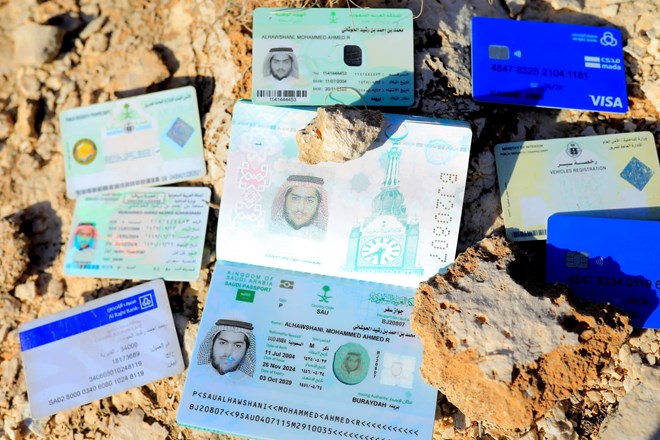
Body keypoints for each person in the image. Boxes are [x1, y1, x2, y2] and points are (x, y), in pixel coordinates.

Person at [271, 175, 328, 239]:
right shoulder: (272, 229)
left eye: (309, 200)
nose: (300, 207)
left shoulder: (320, 236)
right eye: (295, 198)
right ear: (284, 199)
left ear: (318, 204)